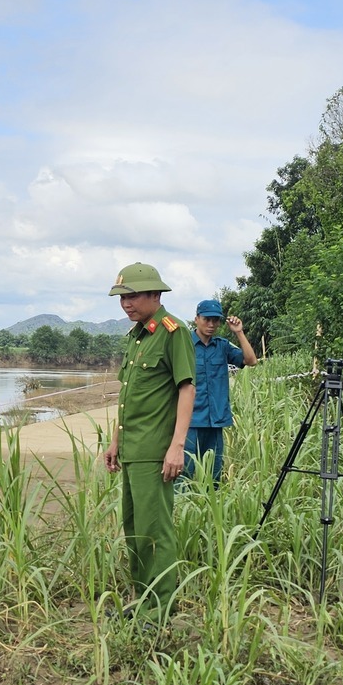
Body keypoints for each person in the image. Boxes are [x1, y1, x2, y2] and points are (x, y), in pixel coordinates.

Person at [103, 262, 195, 615]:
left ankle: (159, 610)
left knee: (155, 530)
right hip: (132, 449)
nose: (126, 304)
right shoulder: (136, 337)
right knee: (135, 528)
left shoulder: (174, 332)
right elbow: (130, 397)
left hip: (156, 451)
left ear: (155, 294)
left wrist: (177, 446)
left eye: (133, 296)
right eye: (122, 297)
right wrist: (115, 442)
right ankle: (141, 601)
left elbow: (186, 388)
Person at [186, 298, 257, 481]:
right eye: (206, 319)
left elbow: (251, 361)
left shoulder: (222, 345)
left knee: (213, 475)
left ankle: (212, 508)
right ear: (197, 319)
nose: (211, 324)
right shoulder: (184, 344)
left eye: (215, 320)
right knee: (184, 474)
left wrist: (239, 332)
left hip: (215, 420)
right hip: (189, 421)